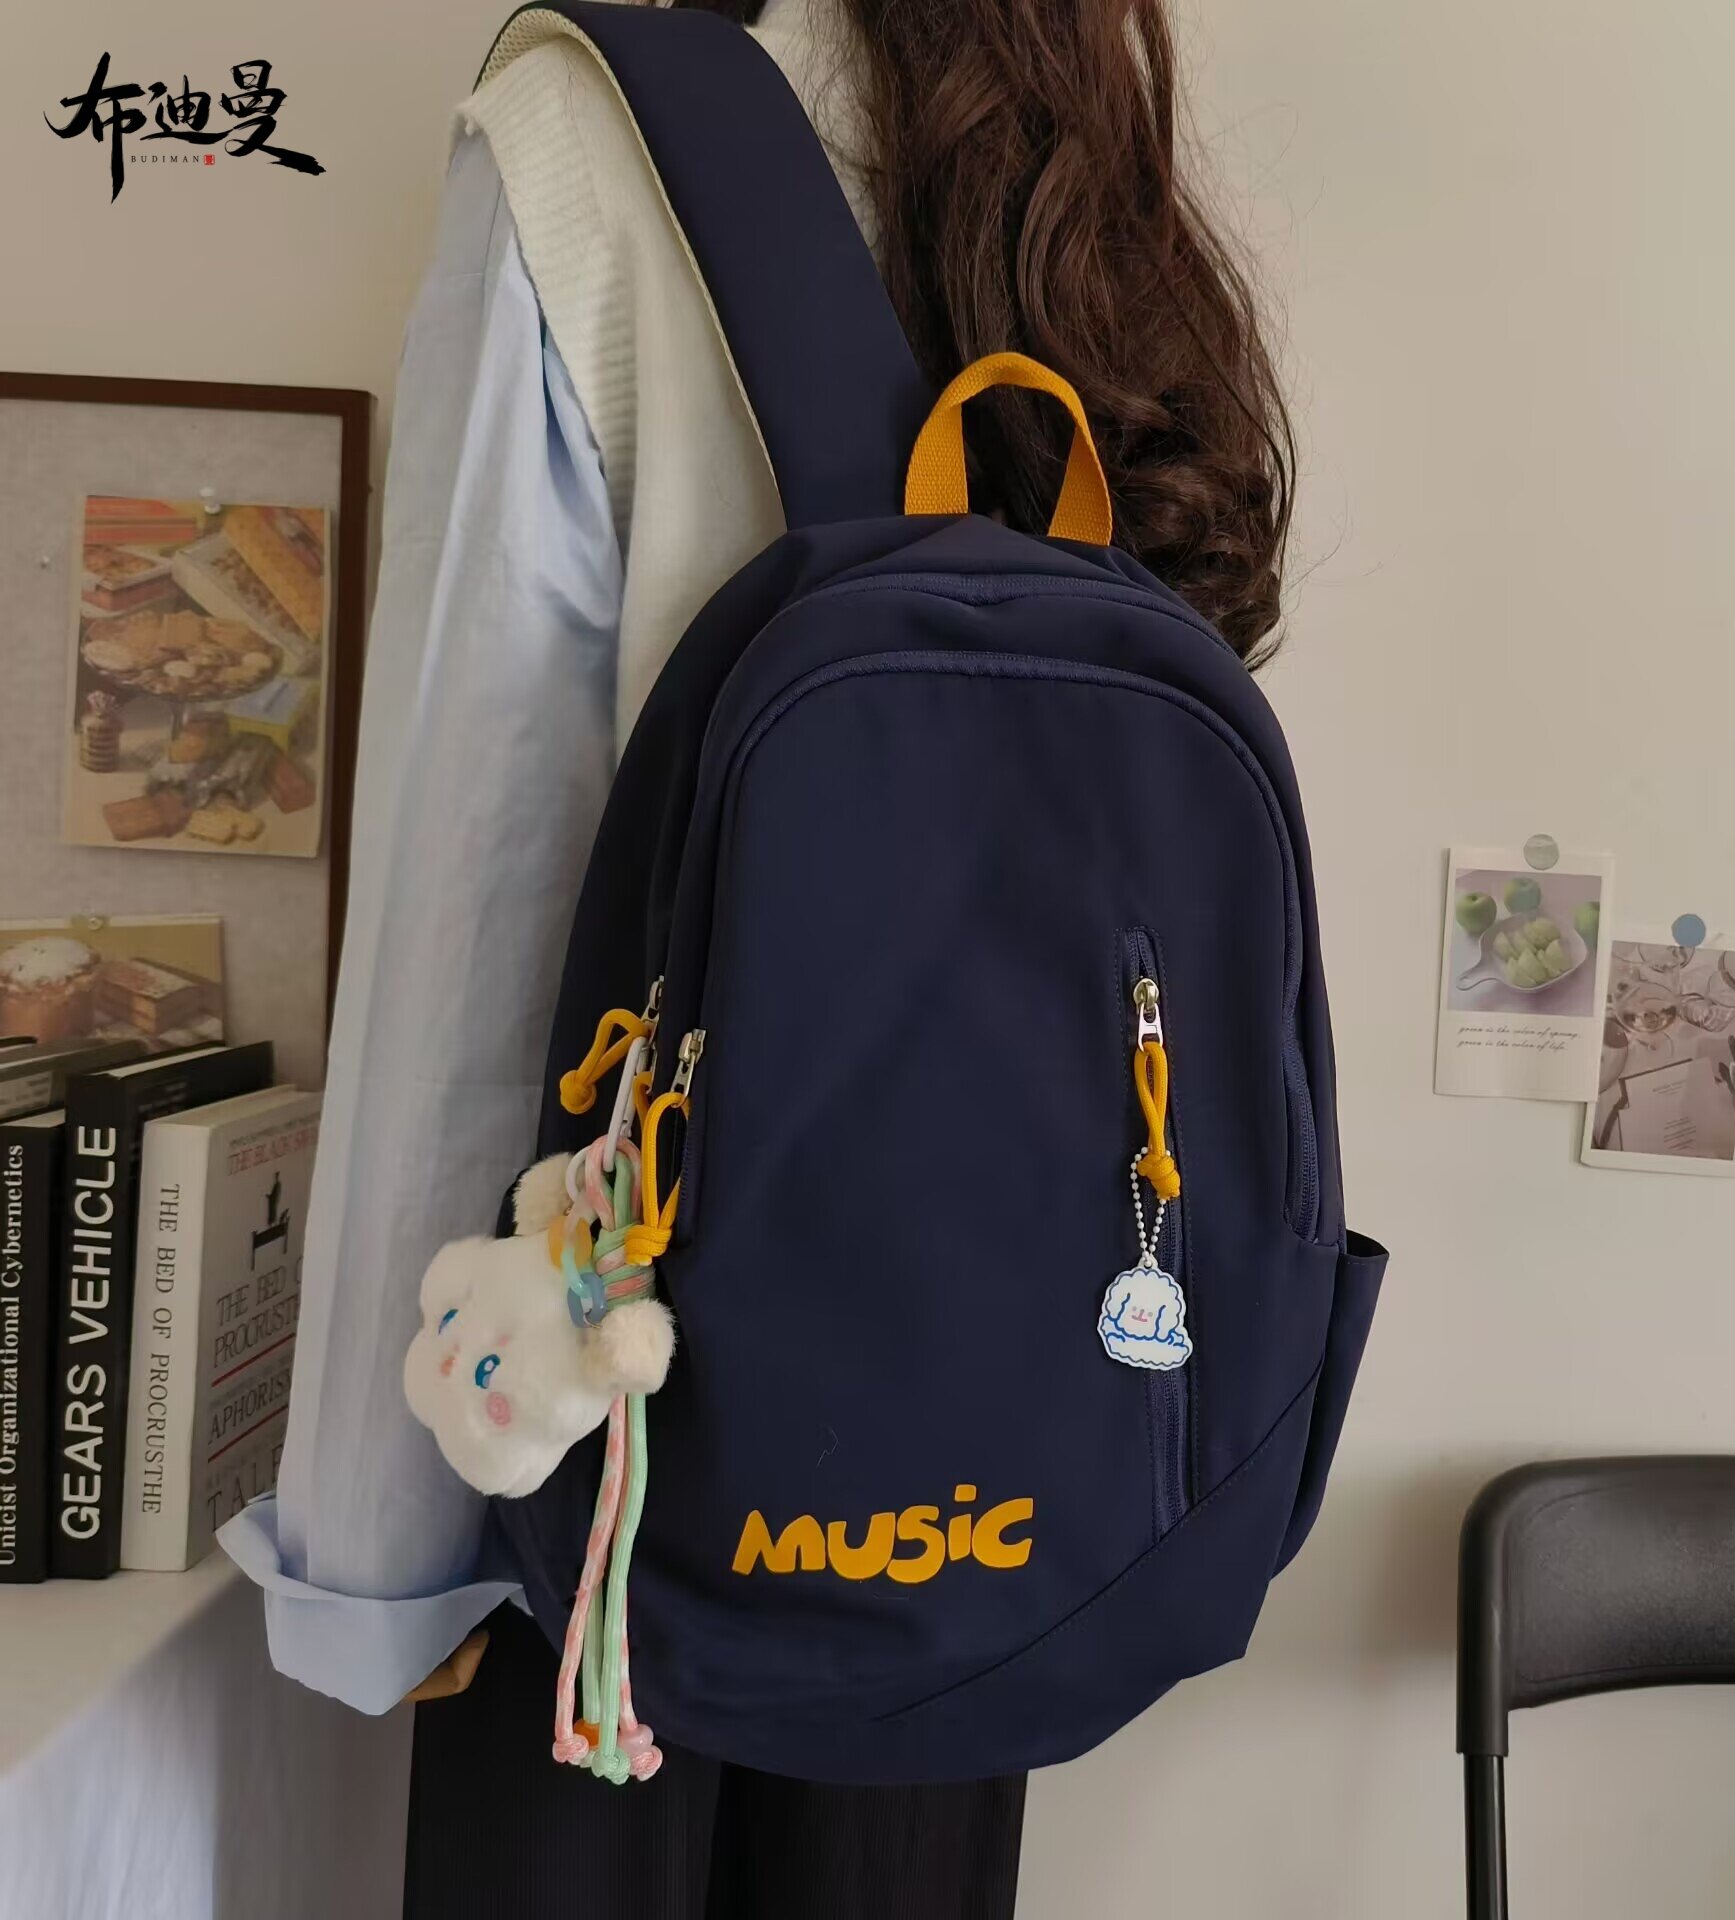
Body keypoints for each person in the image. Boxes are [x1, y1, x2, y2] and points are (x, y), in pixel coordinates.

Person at [220, 0, 1295, 1912]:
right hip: (1011, 1458)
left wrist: (380, 1555)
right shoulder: (1084, 178)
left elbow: (476, 885)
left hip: (605, 1447)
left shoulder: (593, 128)